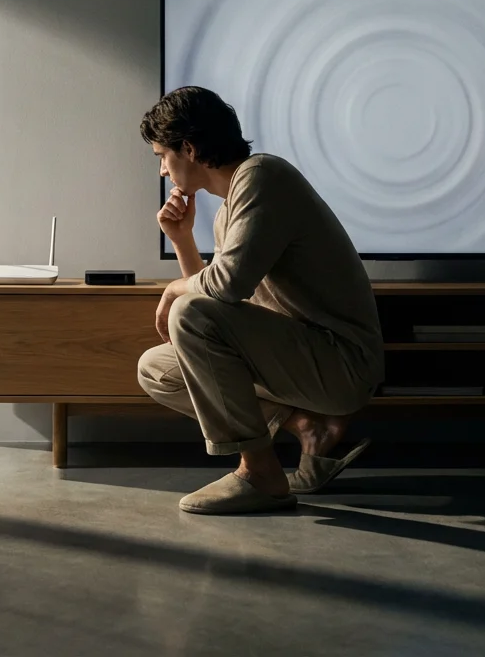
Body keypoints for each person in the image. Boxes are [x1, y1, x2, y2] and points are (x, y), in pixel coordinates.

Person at [137, 86, 385, 515]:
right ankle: (308, 426)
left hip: (339, 362)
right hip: (295, 360)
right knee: (157, 369)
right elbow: (213, 297)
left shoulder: (262, 176)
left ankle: (259, 474)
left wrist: (173, 290)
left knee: (188, 310)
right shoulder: (227, 208)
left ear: (189, 148)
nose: (162, 170)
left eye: (162, 155)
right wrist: (181, 240)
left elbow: (223, 289)